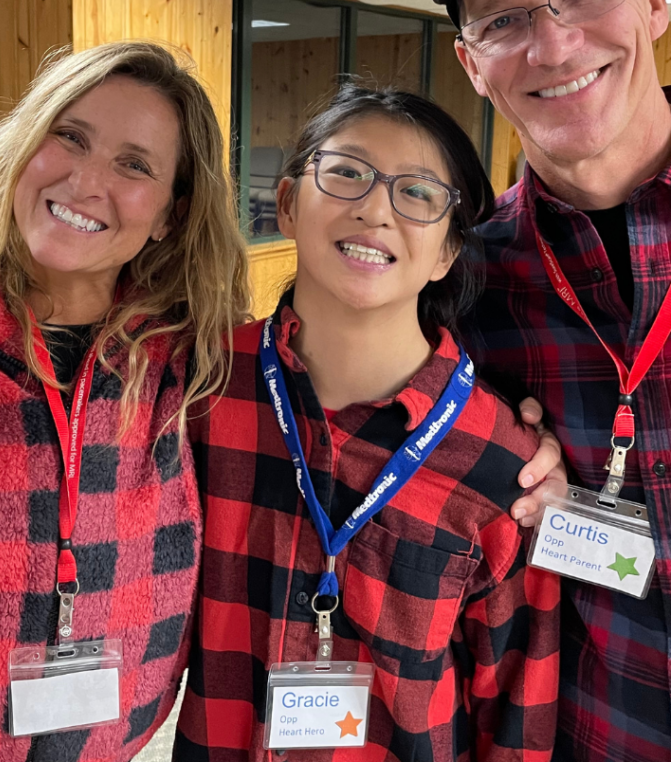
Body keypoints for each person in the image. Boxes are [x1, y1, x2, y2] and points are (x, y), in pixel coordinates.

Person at [0, 41, 250, 762]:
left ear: (172, 212)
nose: (85, 180)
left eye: (135, 165)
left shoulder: (188, 356)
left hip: (115, 737)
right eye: (68, 138)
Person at [174, 86, 561, 761]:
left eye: (417, 194)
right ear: (289, 205)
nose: (376, 209)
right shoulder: (199, 391)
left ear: (446, 252)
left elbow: (518, 712)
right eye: (348, 173)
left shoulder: (504, 463)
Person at [434, 0, 671, 762]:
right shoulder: (460, 285)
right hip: (598, 731)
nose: (556, 43)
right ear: (471, 65)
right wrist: (494, 469)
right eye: (504, 20)